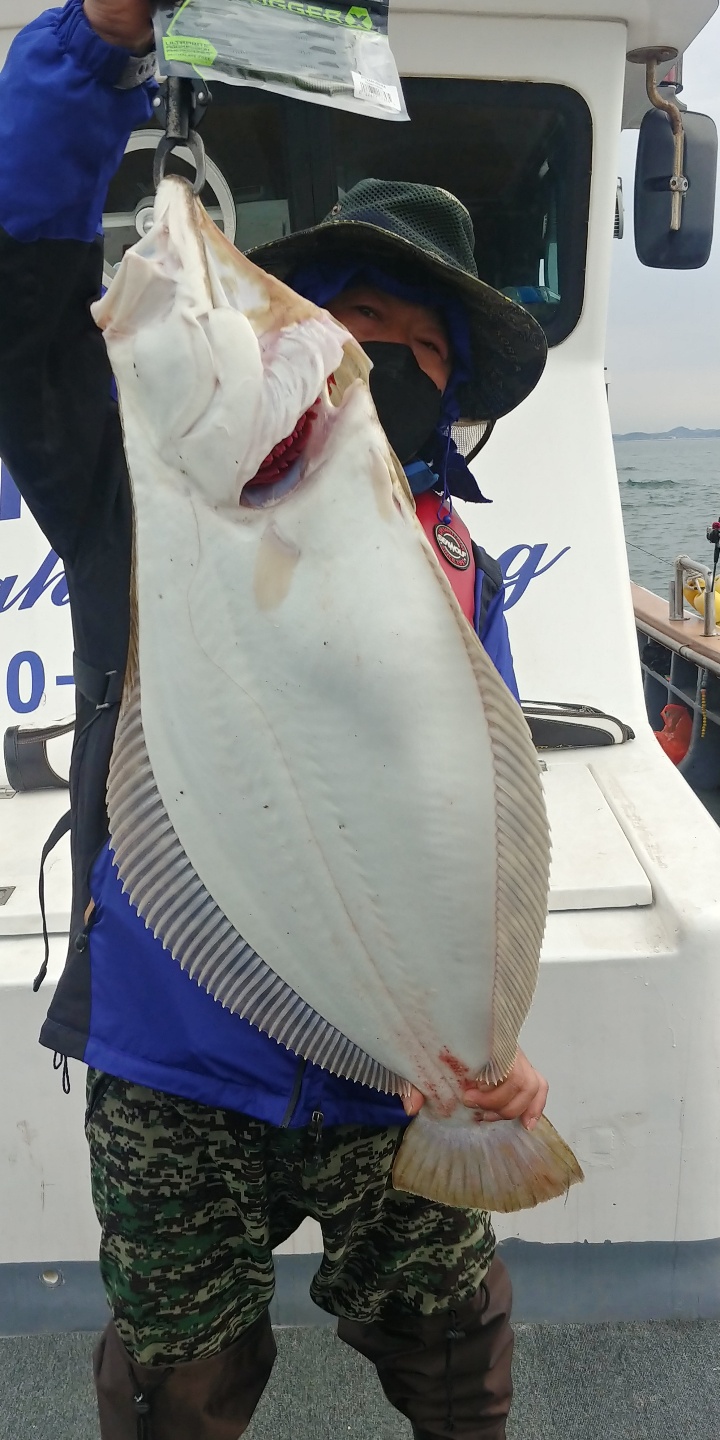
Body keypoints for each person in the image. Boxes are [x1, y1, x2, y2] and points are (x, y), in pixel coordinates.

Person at [0, 3, 550, 1437]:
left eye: (419, 345)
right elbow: (17, 293)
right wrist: (95, 50)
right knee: (177, 1388)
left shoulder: (461, 572)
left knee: (460, 1364)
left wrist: (489, 1043)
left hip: (388, 1084)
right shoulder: (132, 504)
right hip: (177, 1063)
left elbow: (463, 823)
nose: (380, 358)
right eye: (347, 327)